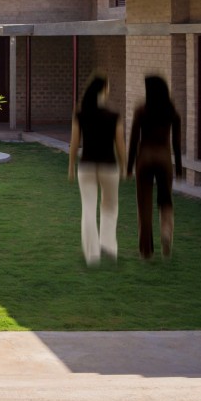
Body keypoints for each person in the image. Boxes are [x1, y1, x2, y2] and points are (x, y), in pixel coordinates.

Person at [68, 76, 126, 267]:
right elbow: (120, 145)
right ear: (103, 91)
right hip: (109, 166)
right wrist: (124, 166)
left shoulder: (80, 114)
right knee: (110, 208)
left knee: (88, 209)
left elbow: (75, 143)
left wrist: (70, 166)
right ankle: (109, 246)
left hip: (86, 167)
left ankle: (92, 254)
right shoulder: (113, 116)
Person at [127, 75, 183, 259]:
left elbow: (134, 139)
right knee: (165, 199)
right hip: (163, 158)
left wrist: (129, 166)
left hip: (144, 158)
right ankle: (166, 233)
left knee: (144, 204)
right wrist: (179, 167)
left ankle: (146, 250)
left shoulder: (141, 110)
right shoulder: (172, 112)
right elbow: (176, 143)